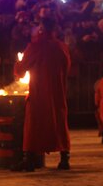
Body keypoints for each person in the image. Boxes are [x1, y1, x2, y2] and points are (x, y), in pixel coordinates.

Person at [12, 17, 71, 171]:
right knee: (59, 122)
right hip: (58, 90)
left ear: (41, 29)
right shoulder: (62, 47)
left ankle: (29, 159)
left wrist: (18, 63)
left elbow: (20, 70)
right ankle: (64, 158)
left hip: (39, 91)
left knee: (34, 123)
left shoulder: (36, 46)